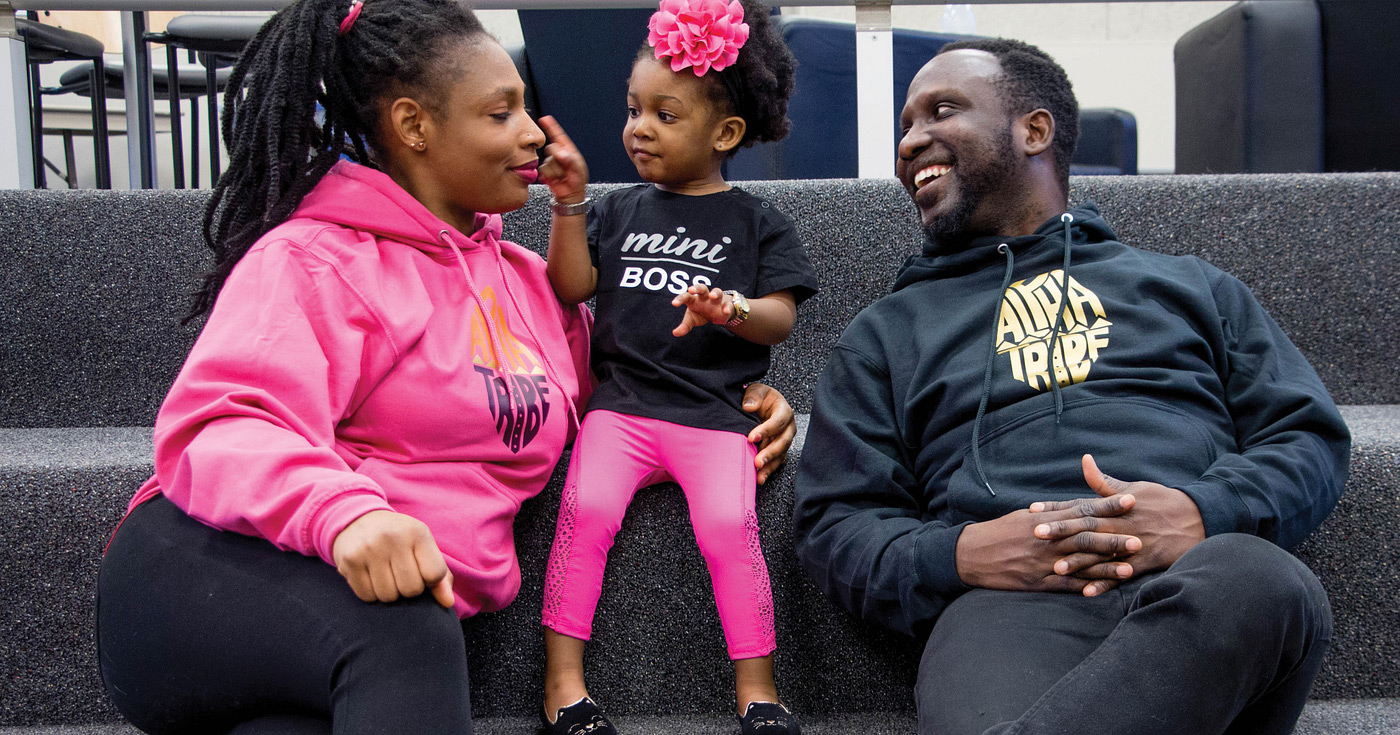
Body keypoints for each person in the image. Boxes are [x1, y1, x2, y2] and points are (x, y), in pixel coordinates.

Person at [94, 1, 796, 732]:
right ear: (413, 125)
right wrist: (348, 514)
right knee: (407, 631)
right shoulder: (317, 259)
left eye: (526, 106)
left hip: (344, 632)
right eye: (500, 114)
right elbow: (223, 422)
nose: (533, 133)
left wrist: (731, 389)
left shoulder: (528, 284)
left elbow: (629, 376)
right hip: (208, 567)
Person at [793, 37, 1350, 735]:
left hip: (1200, 579)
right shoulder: (885, 332)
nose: (911, 142)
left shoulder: (1186, 286)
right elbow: (833, 523)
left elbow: (1307, 434)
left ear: (1034, 129)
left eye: (941, 110)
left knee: (1265, 582)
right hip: (1004, 610)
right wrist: (963, 552)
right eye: (905, 125)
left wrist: (1200, 510)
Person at [536, 1, 815, 733]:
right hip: (621, 408)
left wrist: (733, 308)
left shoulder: (758, 221)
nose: (639, 128)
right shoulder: (619, 209)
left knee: (730, 524)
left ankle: (758, 690)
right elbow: (571, 286)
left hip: (712, 414)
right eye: (634, 110)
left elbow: (783, 314)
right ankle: (563, 684)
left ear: (724, 133)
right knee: (584, 509)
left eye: (665, 114)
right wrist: (569, 205)